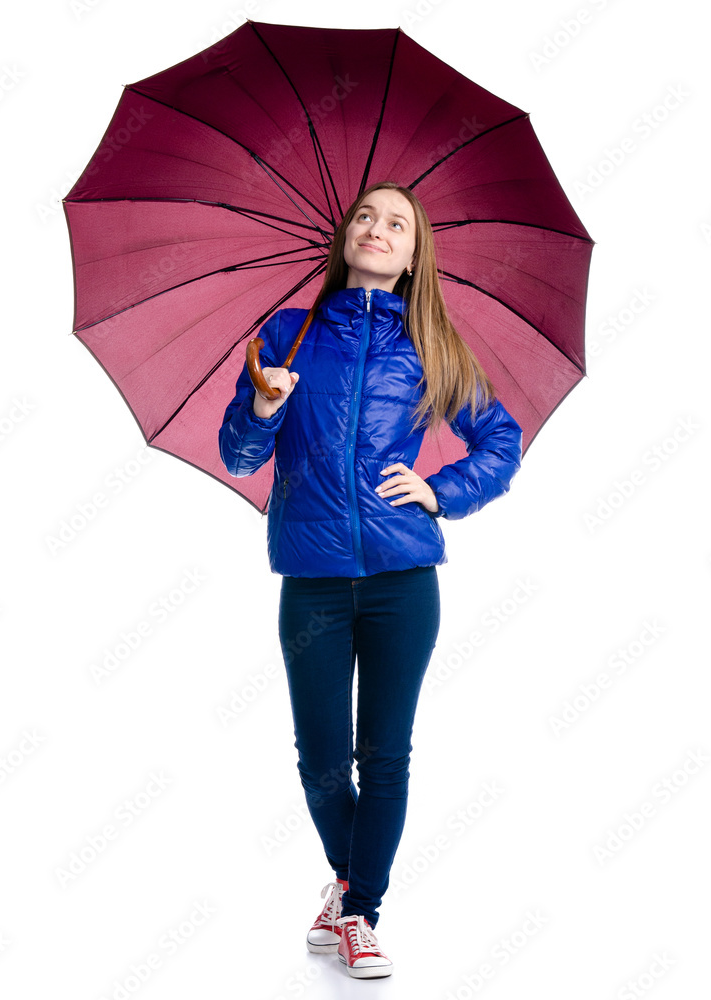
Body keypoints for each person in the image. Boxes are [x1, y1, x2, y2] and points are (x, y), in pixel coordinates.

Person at [218, 180, 523, 979]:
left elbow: (501, 441)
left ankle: (358, 912)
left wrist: (441, 490)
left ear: (416, 251)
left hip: (402, 579)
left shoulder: (435, 348)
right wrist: (260, 404)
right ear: (344, 235)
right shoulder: (287, 335)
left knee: (383, 754)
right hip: (312, 581)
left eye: (398, 223)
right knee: (320, 759)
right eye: (366, 216)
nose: (378, 229)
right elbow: (240, 459)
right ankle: (353, 886)